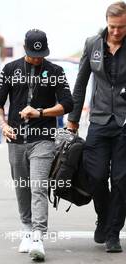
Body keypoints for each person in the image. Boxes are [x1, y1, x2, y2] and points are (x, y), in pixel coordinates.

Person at [0, 29, 73, 261]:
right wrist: (2, 124)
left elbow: (68, 103)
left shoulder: (56, 71)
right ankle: (26, 229)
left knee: (37, 186)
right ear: (26, 49)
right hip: (15, 139)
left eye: (41, 55)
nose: (37, 59)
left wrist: (40, 112)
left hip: (44, 139)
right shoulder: (9, 70)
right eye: (32, 55)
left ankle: (38, 236)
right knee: (22, 187)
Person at [67, 1, 126, 253]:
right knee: (96, 176)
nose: (116, 32)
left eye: (121, 27)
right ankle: (103, 217)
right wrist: (72, 120)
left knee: (122, 180)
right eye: (112, 26)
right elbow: (80, 84)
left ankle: (113, 232)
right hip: (99, 122)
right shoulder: (92, 44)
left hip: (124, 122)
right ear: (106, 22)